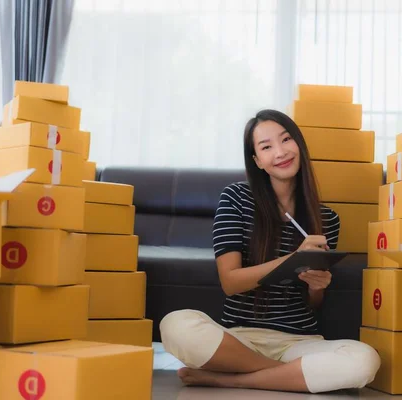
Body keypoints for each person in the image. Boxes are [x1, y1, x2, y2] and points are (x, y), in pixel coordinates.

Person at [160, 109, 380, 394]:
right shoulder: (235, 199)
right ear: (257, 161)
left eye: (286, 139)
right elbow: (230, 282)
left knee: (364, 361)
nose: (280, 152)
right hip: (239, 340)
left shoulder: (326, 219)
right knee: (175, 325)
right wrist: (292, 259)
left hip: (299, 342)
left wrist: (318, 287)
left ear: (299, 144)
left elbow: (313, 304)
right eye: (266, 147)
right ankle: (284, 376)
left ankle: (228, 379)